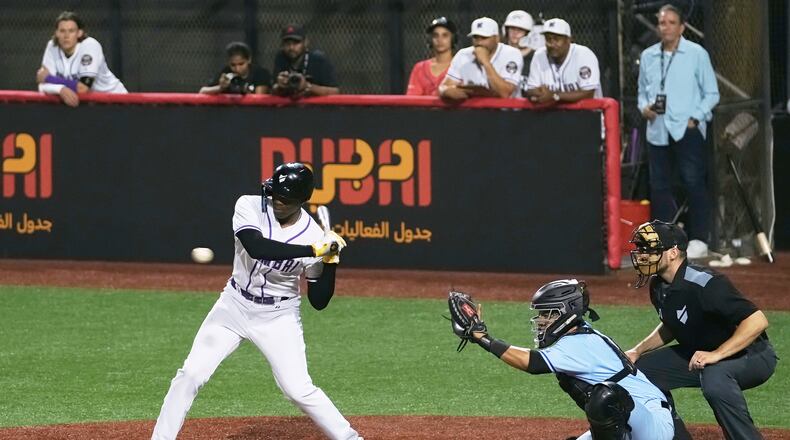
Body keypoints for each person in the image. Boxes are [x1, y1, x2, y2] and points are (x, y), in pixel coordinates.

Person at [151, 163, 362, 440]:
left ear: (300, 201)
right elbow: (257, 247)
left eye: (283, 199)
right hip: (233, 305)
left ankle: (350, 438)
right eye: (272, 193)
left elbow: (319, 301)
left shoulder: (314, 235)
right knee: (190, 374)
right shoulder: (249, 206)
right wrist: (313, 250)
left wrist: (330, 260)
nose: (275, 200)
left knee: (297, 389)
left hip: (279, 315)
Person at [449, 280, 674, 440]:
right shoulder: (580, 332)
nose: (541, 320)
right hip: (635, 417)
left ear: (566, 313)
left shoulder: (578, 344)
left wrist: (484, 339)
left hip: (650, 425)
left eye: (548, 314)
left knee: (604, 397)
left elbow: (532, 363)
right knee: (604, 398)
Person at [626, 220, 777, 439]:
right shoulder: (659, 285)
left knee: (714, 378)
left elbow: (757, 320)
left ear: (673, 253)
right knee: (639, 374)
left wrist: (716, 354)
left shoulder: (705, 283)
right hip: (700, 353)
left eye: (648, 250)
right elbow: (673, 323)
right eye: (640, 249)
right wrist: (637, 351)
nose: (641, 255)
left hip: (752, 354)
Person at [637, 5, 720, 259]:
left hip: (687, 128)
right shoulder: (649, 55)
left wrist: (696, 117)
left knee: (694, 182)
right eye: (662, 23)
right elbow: (642, 92)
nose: (666, 27)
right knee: (659, 185)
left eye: (672, 23)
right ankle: (663, 240)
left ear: (682, 27)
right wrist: (644, 109)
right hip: (658, 129)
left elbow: (712, 93)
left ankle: (699, 238)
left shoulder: (696, 54)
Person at [36, 11, 127, 108]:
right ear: (56, 33)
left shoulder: (90, 46)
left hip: (115, 100)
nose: (66, 36)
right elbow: (42, 84)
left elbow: (83, 88)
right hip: (89, 104)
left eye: (71, 31)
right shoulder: (52, 46)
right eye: (62, 31)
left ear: (79, 33)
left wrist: (50, 79)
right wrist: (60, 89)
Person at [438, 17, 522, 100]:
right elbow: (444, 86)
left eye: (484, 38)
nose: (479, 42)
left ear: (497, 38)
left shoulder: (512, 54)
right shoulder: (463, 55)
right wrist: (445, 91)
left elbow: (505, 93)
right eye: (476, 37)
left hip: (507, 112)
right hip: (474, 112)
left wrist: (486, 62)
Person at [525, 18, 601, 105]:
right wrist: (539, 93)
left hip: (589, 115)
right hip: (554, 116)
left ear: (568, 40)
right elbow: (531, 90)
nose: (552, 44)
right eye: (548, 39)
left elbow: (588, 93)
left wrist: (555, 96)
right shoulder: (539, 56)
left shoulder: (584, 55)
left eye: (556, 39)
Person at [272, 25, 339, 97]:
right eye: (287, 44)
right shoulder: (281, 58)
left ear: (306, 42)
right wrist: (279, 86)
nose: (291, 47)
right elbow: (272, 90)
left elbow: (335, 91)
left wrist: (307, 86)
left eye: (296, 43)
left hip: (315, 107)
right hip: (288, 106)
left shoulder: (319, 60)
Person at [405, 17, 457, 96]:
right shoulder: (419, 68)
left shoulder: (459, 66)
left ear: (453, 39)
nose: (440, 39)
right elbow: (412, 99)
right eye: (436, 35)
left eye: (445, 35)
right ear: (430, 40)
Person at [199, 41, 271, 95]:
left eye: (241, 64)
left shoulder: (260, 73)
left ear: (249, 60)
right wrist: (221, 87)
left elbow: (259, 100)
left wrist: (245, 92)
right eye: (233, 65)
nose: (237, 69)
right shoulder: (226, 72)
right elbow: (202, 91)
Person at [502, 10, 538, 96]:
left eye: (520, 30)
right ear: (506, 30)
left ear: (529, 33)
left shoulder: (536, 57)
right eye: (512, 28)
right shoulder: (500, 54)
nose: (515, 33)